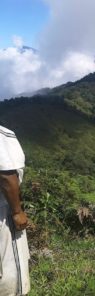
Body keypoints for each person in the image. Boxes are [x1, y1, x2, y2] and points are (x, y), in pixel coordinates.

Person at [0, 125, 30, 296]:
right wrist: (17, 212)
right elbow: (6, 175)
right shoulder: (2, 134)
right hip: (2, 211)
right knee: (9, 266)